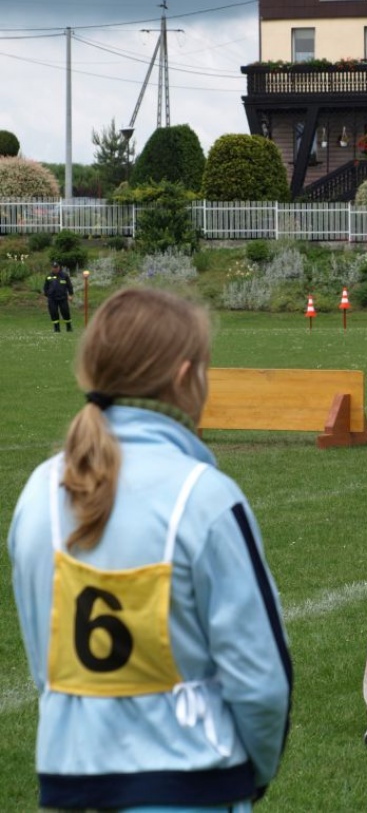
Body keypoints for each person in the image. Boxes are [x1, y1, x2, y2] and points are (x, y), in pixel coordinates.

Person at [8, 287, 292, 811]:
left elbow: (43, 658)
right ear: (186, 377)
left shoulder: (37, 493)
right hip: (191, 785)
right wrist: (254, 773)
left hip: (72, 784)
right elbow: (261, 680)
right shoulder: (204, 496)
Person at [43, 259, 74, 332]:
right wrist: (47, 294)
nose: (55, 269)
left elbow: (69, 286)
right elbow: (45, 287)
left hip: (62, 298)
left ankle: (69, 327)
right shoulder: (48, 276)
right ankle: (56, 329)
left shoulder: (64, 276)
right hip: (52, 299)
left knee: (65, 312)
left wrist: (70, 295)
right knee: (53, 313)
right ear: (52, 268)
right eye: (54, 267)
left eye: (57, 267)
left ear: (59, 267)